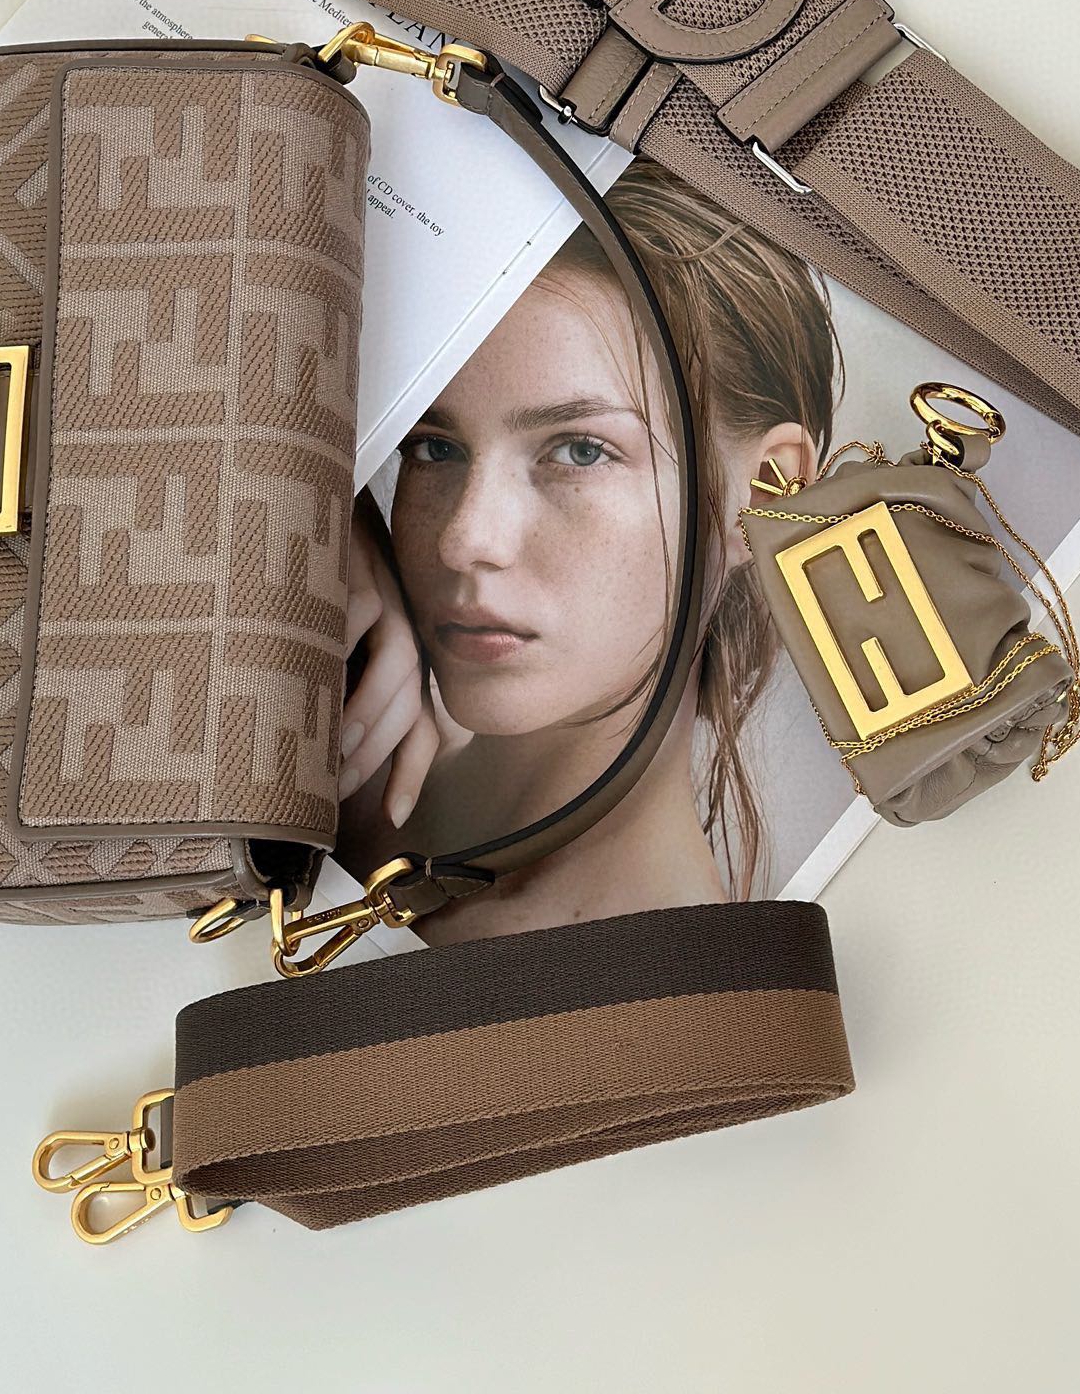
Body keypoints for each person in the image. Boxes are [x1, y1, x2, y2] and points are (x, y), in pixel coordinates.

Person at [336, 159, 840, 943]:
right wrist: (323, 513)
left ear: (766, 494)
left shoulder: (672, 992)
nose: (465, 539)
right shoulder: (300, 737)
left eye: (579, 451)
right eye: (432, 448)